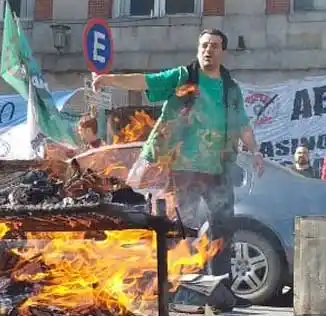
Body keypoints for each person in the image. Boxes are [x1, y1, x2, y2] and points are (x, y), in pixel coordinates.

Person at [93, 29, 263, 291]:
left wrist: (256, 151)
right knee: (181, 228)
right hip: (184, 168)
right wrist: (109, 79)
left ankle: (221, 290)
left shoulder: (231, 89)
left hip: (219, 169)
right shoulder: (184, 77)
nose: (208, 50)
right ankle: (175, 286)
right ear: (198, 49)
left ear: (222, 52)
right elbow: (146, 81)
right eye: (204, 45)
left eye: (214, 46)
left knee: (223, 229)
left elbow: (242, 124)